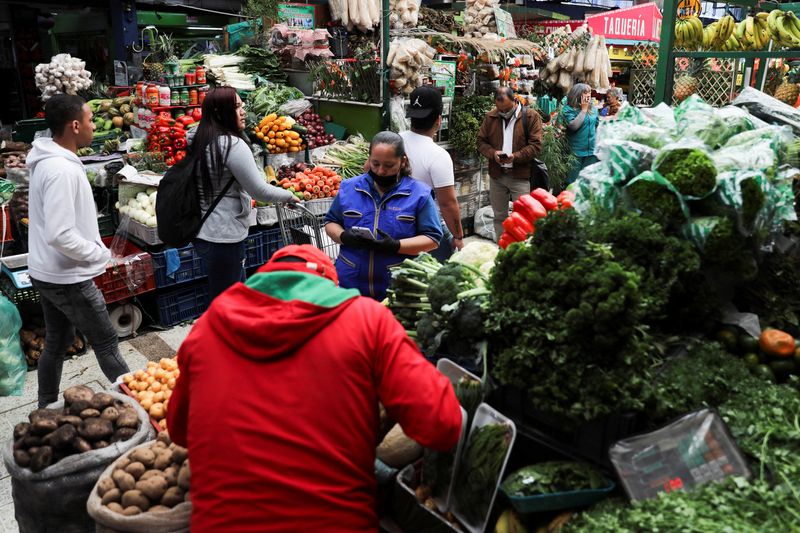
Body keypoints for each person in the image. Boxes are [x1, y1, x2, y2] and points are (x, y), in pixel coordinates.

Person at [167, 244, 462, 533]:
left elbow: (179, 431)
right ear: (327, 286)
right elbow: (442, 424)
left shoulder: (205, 330)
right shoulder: (366, 320)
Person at [26, 94, 130, 407]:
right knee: (107, 343)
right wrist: (101, 255)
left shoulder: (50, 161)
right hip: (68, 276)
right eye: (87, 121)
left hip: (49, 271)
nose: (91, 127)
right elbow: (61, 234)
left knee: (57, 341)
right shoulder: (61, 170)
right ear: (74, 126)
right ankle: (135, 406)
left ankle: (45, 407)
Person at [190, 86, 298, 300]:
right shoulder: (232, 145)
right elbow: (259, 190)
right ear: (221, 113)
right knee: (228, 301)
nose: (243, 111)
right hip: (224, 234)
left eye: (242, 105)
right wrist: (288, 196)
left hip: (204, 230)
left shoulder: (200, 137)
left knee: (230, 294)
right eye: (237, 106)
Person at [324, 131, 443, 300]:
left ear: (403, 161)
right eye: (375, 163)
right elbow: (331, 222)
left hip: (396, 287)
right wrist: (343, 236)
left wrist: (396, 245)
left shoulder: (419, 194)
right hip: (349, 285)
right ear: (369, 159)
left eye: (389, 165)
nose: (380, 171)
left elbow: (432, 239)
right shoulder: (349, 188)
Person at [400, 85, 464, 261]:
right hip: (425, 230)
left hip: (393, 223)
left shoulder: (393, 141)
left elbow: (367, 170)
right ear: (438, 120)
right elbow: (447, 204)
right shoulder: (438, 156)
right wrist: (458, 236)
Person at [477, 86, 543, 242]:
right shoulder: (491, 117)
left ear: (515, 100)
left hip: (520, 176)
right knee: (499, 216)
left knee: (524, 216)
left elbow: (536, 145)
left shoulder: (531, 116)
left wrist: (515, 157)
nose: (504, 113)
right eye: (500, 110)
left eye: (507, 109)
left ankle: (523, 247)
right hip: (497, 175)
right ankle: (502, 246)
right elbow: (480, 142)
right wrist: (493, 153)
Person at [562, 83, 600, 184]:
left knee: (588, 182)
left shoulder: (593, 109)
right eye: (585, 95)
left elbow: (596, 125)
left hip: (591, 152)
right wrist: (583, 110)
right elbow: (574, 126)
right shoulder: (568, 109)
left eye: (590, 95)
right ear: (577, 95)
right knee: (573, 182)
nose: (588, 98)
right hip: (575, 152)